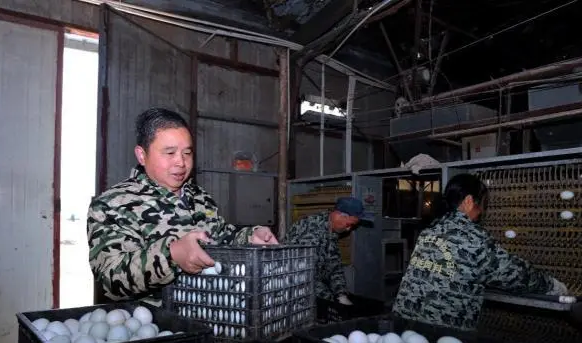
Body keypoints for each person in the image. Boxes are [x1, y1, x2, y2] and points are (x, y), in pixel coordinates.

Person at [87, 107, 278, 302]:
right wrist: (172, 255)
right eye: (170, 153)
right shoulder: (112, 205)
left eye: (187, 153)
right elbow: (109, 280)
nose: (181, 162)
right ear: (142, 155)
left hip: (212, 316)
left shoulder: (199, 197)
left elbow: (220, 237)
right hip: (159, 325)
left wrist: (250, 236)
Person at [392, 173, 569, 330]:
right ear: (469, 201)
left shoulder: (430, 230)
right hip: (440, 331)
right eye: (482, 204)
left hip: (404, 323)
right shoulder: (472, 238)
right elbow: (513, 273)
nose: (482, 212)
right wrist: (551, 286)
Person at [285, 197, 374, 305]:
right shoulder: (311, 233)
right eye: (348, 224)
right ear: (338, 215)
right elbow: (304, 276)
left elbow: (334, 265)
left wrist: (341, 294)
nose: (348, 229)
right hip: (294, 291)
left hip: (312, 285)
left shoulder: (330, 229)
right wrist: (330, 299)